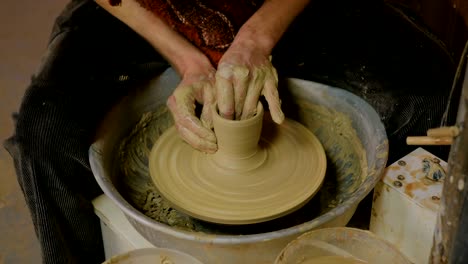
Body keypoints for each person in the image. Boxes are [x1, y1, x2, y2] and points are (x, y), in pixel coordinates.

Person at [4, 0, 310, 262]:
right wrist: (188, 61)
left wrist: (255, 41)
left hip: (275, 12)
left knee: (356, 90)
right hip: (143, 12)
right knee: (43, 140)